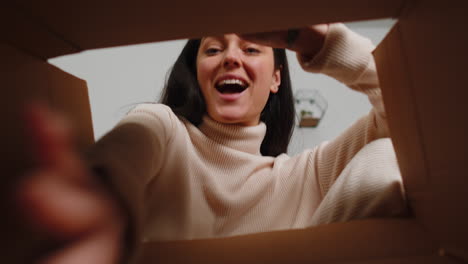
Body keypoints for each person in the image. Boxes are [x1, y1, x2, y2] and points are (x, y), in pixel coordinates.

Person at [16, 23, 407, 263]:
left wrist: (325, 43)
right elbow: (123, 159)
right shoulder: (163, 129)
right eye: (214, 49)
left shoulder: (310, 176)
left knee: (387, 155)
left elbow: (415, 116)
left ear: (276, 79)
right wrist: (102, 201)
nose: (230, 58)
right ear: (198, 73)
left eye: (251, 49)